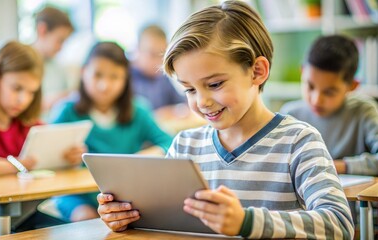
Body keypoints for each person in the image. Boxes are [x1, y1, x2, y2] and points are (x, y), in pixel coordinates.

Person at [95, 1, 354, 239]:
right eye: (189, 89)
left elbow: (339, 224)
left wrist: (247, 222)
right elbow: (167, 225)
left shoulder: (299, 141)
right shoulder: (185, 146)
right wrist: (127, 218)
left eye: (215, 84)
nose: (202, 101)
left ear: (257, 71)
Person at [0, 41, 84, 240]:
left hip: (19, 214)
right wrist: (20, 164)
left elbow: (50, 157)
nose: (23, 99)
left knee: (77, 234)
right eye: (17, 88)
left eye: (31, 92)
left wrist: (69, 157)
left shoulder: (27, 124)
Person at [49, 41, 173, 222]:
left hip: (123, 194)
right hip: (76, 194)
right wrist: (64, 158)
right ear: (83, 73)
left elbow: (169, 142)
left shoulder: (138, 110)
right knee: (86, 219)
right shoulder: (66, 111)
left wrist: (144, 155)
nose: (104, 85)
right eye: (97, 75)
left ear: (125, 79)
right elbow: (45, 160)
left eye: (114, 77)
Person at [281, 35, 378, 176]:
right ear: (302, 71)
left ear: (352, 86)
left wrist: (336, 166)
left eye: (329, 92)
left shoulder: (364, 111)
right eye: (310, 86)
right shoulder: (290, 115)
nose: (316, 100)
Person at [131, 24, 186, 110]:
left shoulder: (162, 78)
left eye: (162, 55)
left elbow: (182, 103)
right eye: (152, 54)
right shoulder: (124, 79)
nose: (158, 62)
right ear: (137, 50)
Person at [32, 6, 74, 113]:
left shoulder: (58, 67)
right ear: (42, 30)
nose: (61, 47)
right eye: (60, 40)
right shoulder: (21, 63)